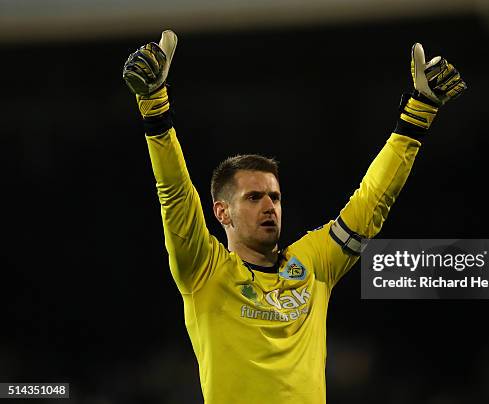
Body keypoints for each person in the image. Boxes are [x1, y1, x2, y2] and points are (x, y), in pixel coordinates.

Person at [122, 30, 466, 404]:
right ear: (222, 211)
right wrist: (154, 106)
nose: (269, 206)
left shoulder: (313, 263)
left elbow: (372, 201)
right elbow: (173, 192)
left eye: (275, 197)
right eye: (253, 197)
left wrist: (419, 112)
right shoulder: (204, 270)